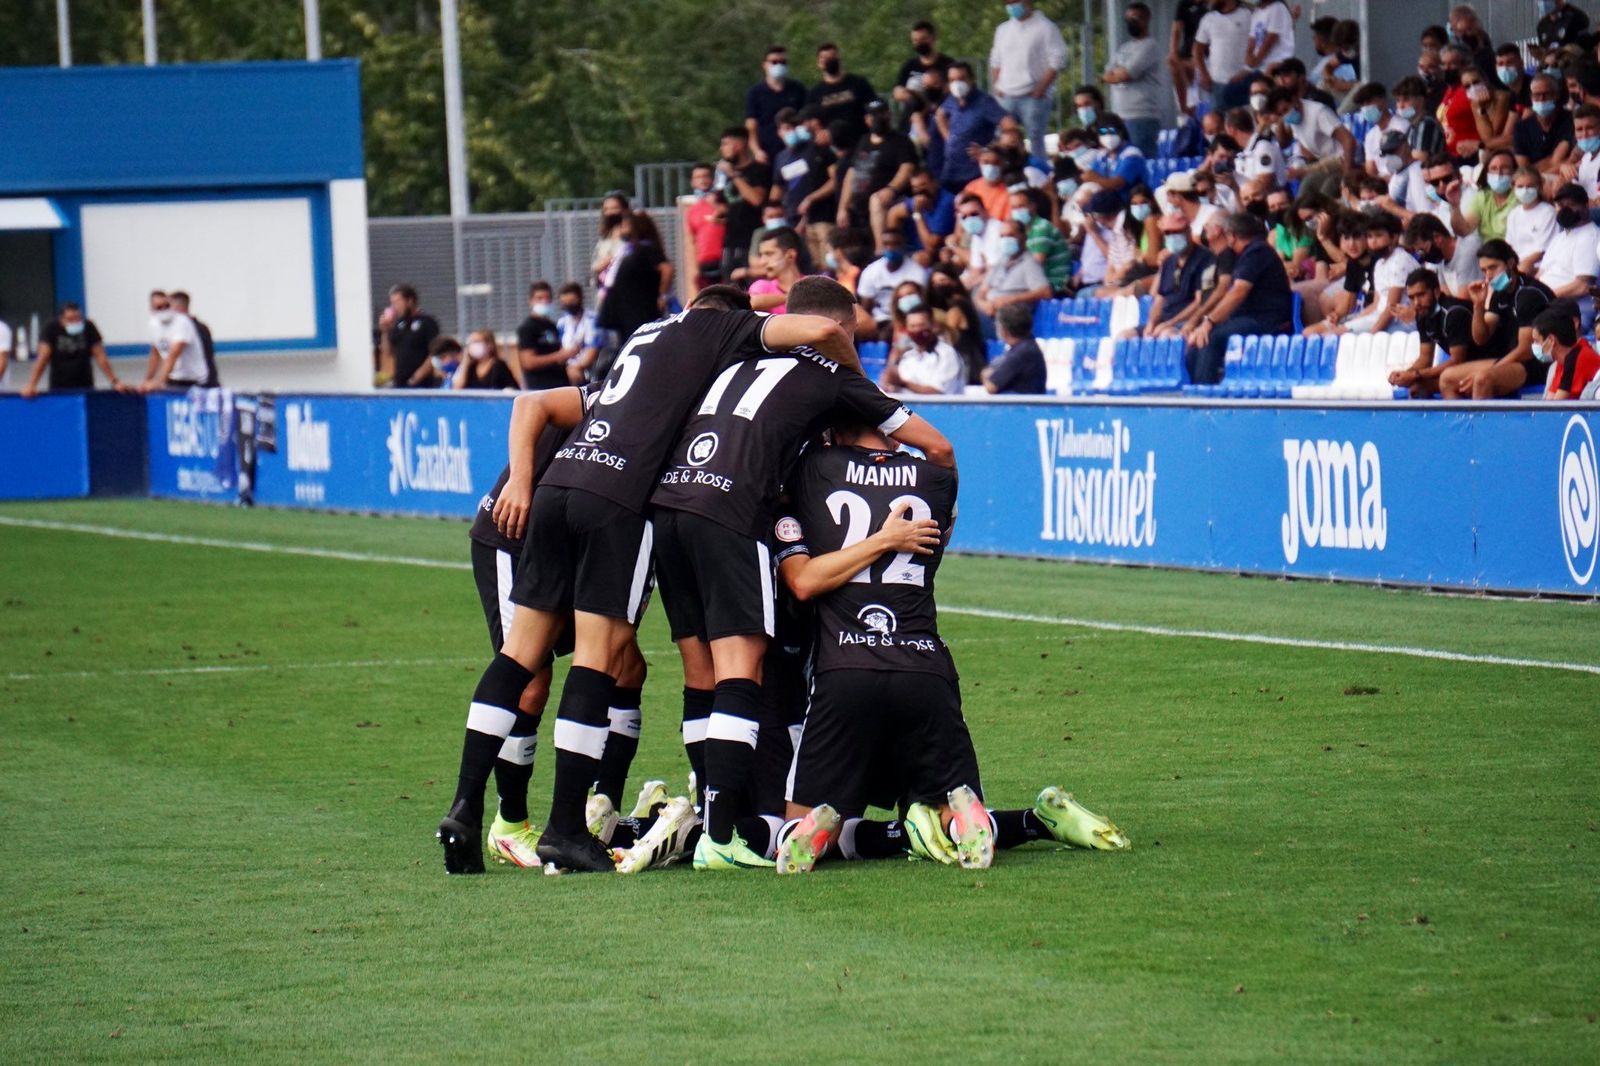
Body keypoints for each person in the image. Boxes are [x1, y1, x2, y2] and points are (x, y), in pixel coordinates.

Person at [435, 285, 864, 875]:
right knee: (597, 659)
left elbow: (548, 403)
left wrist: (524, 480)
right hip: (619, 501)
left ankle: (465, 805)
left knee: (519, 656)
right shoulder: (717, 332)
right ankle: (564, 828)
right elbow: (817, 330)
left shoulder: (645, 335)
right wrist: (854, 386)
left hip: (561, 484)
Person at [648, 276, 950, 871]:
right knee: (747, 666)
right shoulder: (838, 379)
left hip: (671, 505)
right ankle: (722, 833)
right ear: (848, 328)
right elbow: (934, 448)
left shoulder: (740, 356)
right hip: (737, 512)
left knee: (700, 669)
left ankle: (708, 808)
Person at [1184, 211, 1292, 384]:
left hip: (1265, 319)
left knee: (1211, 336)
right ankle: (1190, 389)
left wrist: (1209, 321)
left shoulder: (1258, 252)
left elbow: (1238, 292)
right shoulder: (1244, 255)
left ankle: (1203, 395)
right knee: (1197, 338)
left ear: (1232, 236)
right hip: (1247, 317)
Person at [1441, 238, 1555, 400]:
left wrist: (1488, 371)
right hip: (1511, 361)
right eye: (1484, 270)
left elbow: (1525, 350)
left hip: (1537, 364)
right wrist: (1478, 306)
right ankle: (1464, 425)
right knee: (1447, 379)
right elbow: (1481, 338)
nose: (1488, 276)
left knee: (1482, 379)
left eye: (1493, 268)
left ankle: (1481, 426)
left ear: (1510, 263)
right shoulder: (1500, 295)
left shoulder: (1528, 294)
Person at [989, 0, 1067, 160]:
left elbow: (1057, 60)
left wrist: (1042, 88)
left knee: (1035, 138)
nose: (1011, 6)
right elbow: (996, 60)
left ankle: (1039, 173)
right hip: (1005, 95)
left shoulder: (1045, 27)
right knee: (1001, 138)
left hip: (1032, 96)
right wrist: (996, 85)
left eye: (1014, 2)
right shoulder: (1003, 29)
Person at [837, 100, 918, 246]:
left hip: (888, 202)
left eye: (881, 114)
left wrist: (891, 189)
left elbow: (907, 168)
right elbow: (852, 173)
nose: (877, 119)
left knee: (876, 200)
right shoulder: (863, 141)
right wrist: (843, 207)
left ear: (889, 114)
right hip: (859, 211)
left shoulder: (901, 141)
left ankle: (881, 250)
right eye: (873, 115)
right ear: (867, 119)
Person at [1390, 268, 1473, 398]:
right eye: (1412, 297)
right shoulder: (1423, 314)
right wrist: (1405, 375)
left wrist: (1415, 375)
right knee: (1416, 387)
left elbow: (1457, 360)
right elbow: (1425, 358)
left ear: (1436, 292)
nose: (1416, 303)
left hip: (1487, 361)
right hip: (1466, 366)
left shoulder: (1453, 313)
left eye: (1421, 295)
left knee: (1447, 379)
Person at [597, 211, 673, 349]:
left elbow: (666, 269)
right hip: (623, 312)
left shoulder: (646, 249)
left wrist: (662, 295)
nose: (622, 229)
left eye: (626, 226)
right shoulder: (628, 250)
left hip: (638, 311)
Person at [936, 61, 1009, 195]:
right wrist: (949, 138)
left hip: (973, 173)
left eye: (962, 79)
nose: (957, 84)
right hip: (950, 172)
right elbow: (940, 114)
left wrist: (989, 149)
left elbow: (1009, 124)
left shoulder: (984, 102)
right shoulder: (952, 99)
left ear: (971, 79)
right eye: (952, 80)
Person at [21, 302, 121, 397]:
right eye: (70, 319)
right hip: (59, 384)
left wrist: (114, 381)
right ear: (61, 319)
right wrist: (32, 384)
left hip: (85, 382)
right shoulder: (51, 328)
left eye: (78, 318)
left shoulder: (88, 327)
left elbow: (100, 356)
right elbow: (43, 358)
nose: (75, 322)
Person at [1536, 183, 1599, 333]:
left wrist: (1542, 297)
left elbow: (1583, 286)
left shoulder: (1591, 237)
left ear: (1585, 206)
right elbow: (1540, 274)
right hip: (1547, 304)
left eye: (1570, 205)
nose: (1564, 210)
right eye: (1559, 205)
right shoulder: (1560, 237)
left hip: (1570, 311)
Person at [1143, 212, 1215, 338]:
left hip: (1186, 322)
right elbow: (1159, 299)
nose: (1172, 236)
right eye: (1168, 233)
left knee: (1166, 336)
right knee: (1125, 336)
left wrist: (1170, 323)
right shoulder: (1168, 261)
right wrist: (1151, 324)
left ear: (1188, 231)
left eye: (1177, 232)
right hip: (1164, 321)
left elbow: (1200, 301)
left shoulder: (1205, 259)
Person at [1104, 3, 1162, 157]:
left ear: (1147, 19)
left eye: (1135, 18)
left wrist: (1118, 74)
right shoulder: (1124, 48)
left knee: (1142, 157)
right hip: (1120, 114)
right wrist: (1117, 74)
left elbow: (1126, 74)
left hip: (1142, 115)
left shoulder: (1150, 46)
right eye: (1128, 19)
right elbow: (1106, 75)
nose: (1131, 23)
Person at [716, 128, 772, 281]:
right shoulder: (724, 175)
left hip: (752, 240)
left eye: (726, 144)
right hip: (730, 240)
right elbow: (724, 204)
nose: (722, 149)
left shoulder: (758, 170)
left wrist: (734, 175)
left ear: (739, 145)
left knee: (753, 287)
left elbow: (756, 199)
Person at [807, 43, 878, 153]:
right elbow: (809, 120)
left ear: (839, 58)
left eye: (832, 57)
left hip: (863, 144)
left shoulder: (858, 83)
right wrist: (819, 132)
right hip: (834, 150)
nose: (829, 61)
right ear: (819, 64)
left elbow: (874, 106)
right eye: (825, 58)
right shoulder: (815, 93)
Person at [975, 219, 1051, 322]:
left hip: (1010, 319)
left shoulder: (1029, 263)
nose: (1005, 240)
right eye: (1002, 236)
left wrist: (1011, 299)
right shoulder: (1001, 261)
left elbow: (1045, 292)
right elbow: (983, 290)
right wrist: (982, 304)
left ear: (1023, 237)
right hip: (989, 311)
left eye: (1010, 235)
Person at [857, 231, 930, 335]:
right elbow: (866, 307)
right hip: (877, 321)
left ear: (903, 244)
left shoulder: (917, 273)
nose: (891, 248)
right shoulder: (871, 271)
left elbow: (920, 306)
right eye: (886, 244)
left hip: (906, 319)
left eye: (895, 244)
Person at [745, 46, 807, 165]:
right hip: (768, 153)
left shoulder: (798, 89)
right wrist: (757, 151)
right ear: (765, 65)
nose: (779, 65)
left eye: (783, 62)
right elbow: (751, 127)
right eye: (774, 62)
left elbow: (806, 118)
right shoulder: (755, 93)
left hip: (797, 148)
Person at [884, 306, 965, 396]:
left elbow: (938, 393)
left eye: (921, 325)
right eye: (912, 326)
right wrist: (890, 383)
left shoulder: (947, 354)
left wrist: (903, 383)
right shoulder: (907, 356)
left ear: (933, 325)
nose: (916, 330)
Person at [140, 289, 208, 392]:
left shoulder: (182, 322)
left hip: (193, 379)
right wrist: (147, 381)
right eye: (159, 307)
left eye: (166, 306)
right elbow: (155, 354)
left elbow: (173, 355)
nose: (163, 310)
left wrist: (159, 382)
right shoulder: (153, 324)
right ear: (152, 309)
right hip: (173, 377)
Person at [1193, 0, 1254, 112]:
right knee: (1219, 124)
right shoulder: (1208, 19)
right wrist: (1203, 74)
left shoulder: (1248, 15)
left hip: (1244, 82)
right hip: (1217, 84)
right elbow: (1197, 49)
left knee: (1245, 123)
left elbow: (1259, 43)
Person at [379, 283, 441, 389]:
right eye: (392, 303)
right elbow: (388, 352)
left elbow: (435, 352)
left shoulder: (427, 322)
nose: (394, 307)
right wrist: (385, 331)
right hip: (400, 382)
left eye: (397, 302)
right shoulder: (398, 324)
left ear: (410, 301)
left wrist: (418, 376)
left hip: (422, 384)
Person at [1535, 307, 1600, 399]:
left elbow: (1558, 405)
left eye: (1537, 341)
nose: (1534, 346)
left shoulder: (1580, 357)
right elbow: (1549, 400)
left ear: (1551, 340)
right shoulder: (1561, 361)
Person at [681, 163, 726, 295]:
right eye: (698, 177)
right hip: (704, 263)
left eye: (706, 176)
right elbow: (691, 241)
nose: (702, 180)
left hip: (724, 259)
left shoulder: (723, 203)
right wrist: (693, 269)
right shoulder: (692, 210)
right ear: (692, 182)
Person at [982, 302, 1046, 394]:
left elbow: (991, 386)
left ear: (1004, 330)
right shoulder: (1027, 345)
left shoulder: (1021, 353)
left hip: (1023, 406)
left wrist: (984, 375)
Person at [513, 282, 567, 391]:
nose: (544, 301)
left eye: (547, 298)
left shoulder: (552, 326)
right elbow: (529, 362)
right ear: (531, 301)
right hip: (539, 386)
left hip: (559, 383)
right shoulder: (528, 327)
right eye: (539, 298)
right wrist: (559, 356)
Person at [1505, 168, 1557, 273]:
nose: (1525, 190)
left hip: (1539, 265)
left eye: (1530, 186)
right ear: (1513, 188)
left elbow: (1543, 250)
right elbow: (1509, 245)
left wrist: (1520, 267)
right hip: (1517, 264)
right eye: (1520, 186)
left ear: (1538, 187)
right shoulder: (1514, 213)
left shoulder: (1548, 212)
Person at [1462, 148, 1518, 242]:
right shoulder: (1482, 197)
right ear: (1487, 173)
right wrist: (1454, 206)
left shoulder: (1520, 197)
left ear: (1514, 172)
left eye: (1505, 168)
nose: (1499, 173)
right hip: (1487, 252)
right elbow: (1465, 229)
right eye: (1494, 169)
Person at [747, 226, 805, 313]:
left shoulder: (815, 283)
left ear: (790, 255)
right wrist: (791, 297)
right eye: (761, 255)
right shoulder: (763, 286)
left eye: (769, 254)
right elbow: (751, 303)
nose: (762, 262)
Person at [167, 291, 218, 387]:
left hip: (197, 384)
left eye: (168, 307)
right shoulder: (200, 327)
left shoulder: (192, 329)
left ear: (178, 308)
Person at [895, 20, 955, 101]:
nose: (919, 43)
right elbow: (897, 90)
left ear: (933, 38)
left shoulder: (948, 64)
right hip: (913, 111)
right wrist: (910, 96)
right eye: (915, 40)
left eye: (923, 39)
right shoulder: (909, 65)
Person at [553, 283, 601, 385]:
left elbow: (592, 351)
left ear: (580, 299)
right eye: (565, 303)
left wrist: (575, 367)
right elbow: (561, 351)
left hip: (592, 369)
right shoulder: (562, 323)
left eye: (572, 301)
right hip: (568, 368)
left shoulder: (593, 319)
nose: (569, 306)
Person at [453, 330, 519, 391]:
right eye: (471, 342)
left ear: (489, 345)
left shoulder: (498, 366)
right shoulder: (470, 367)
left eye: (477, 341)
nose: (473, 345)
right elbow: (457, 388)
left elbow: (512, 388)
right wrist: (465, 362)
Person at [1245, 0, 1295, 78]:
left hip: (1274, 67)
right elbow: (1252, 39)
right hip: (1258, 67)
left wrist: (1255, 61)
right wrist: (1248, 57)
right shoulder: (1257, 11)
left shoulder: (1278, 8)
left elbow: (1270, 40)